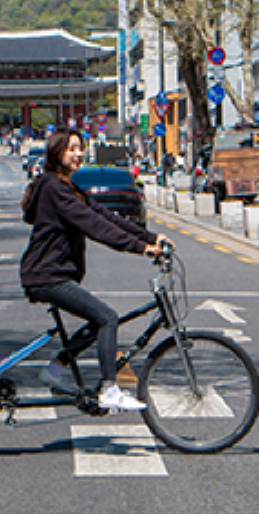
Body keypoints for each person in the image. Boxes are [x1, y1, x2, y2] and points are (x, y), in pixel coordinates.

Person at [21, 129, 169, 412]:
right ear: (56, 153)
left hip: (53, 273)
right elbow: (94, 226)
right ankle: (109, 388)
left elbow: (104, 216)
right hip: (46, 275)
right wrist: (140, 249)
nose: (78, 154)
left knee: (99, 320)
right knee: (107, 318)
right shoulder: (53, 188)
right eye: (71, 149)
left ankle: (56, 368)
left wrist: (150, 237)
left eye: (80, 148)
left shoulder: (67, 187)